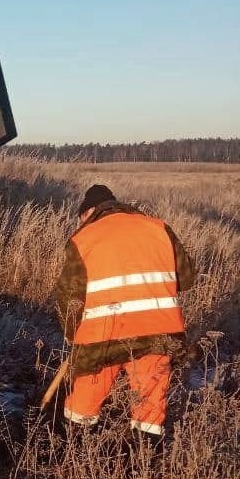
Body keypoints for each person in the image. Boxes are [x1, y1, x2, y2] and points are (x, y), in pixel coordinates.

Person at [52, 184, 196, 439]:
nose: (82, 222)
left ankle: (74, 454)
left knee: (84, 401)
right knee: (150, 406)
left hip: (102, 335)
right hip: (159, 331)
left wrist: (74, 335)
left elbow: (68, 296)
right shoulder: (158, 227)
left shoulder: (83, 239)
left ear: (91, 211)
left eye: (82, 216)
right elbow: (186, 279)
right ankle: (145, 462)